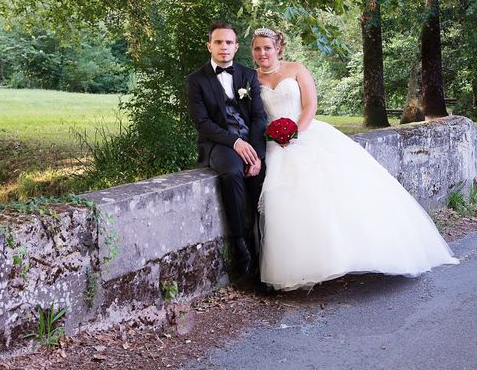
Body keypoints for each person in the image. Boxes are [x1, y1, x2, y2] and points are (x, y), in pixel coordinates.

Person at [250, 27, 459, 291]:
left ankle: (351, 254)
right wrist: (274, 137)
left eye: (267, 47)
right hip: (273, 142)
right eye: (257, 48)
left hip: (303, 132)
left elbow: (310, 105)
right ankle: (302, 265)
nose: (262, 53)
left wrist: (293, 131)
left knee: (335, 191)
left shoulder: (296, 69)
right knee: (285, 199)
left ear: (278, 48)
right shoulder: (251, 78)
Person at [187, 21, 268, 275]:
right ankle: (240, 246)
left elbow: (258, 117)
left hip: (249, 141)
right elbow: (203, 124)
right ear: (209, 45)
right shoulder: (196, 80)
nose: (224, 47)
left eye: (229, 42)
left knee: (262, 175)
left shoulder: (248, 75)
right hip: (218, 143)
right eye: (219, 42)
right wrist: (234, 142)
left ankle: (263, 247)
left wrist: (257, 155)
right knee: (232, 172)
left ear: (236, 46)